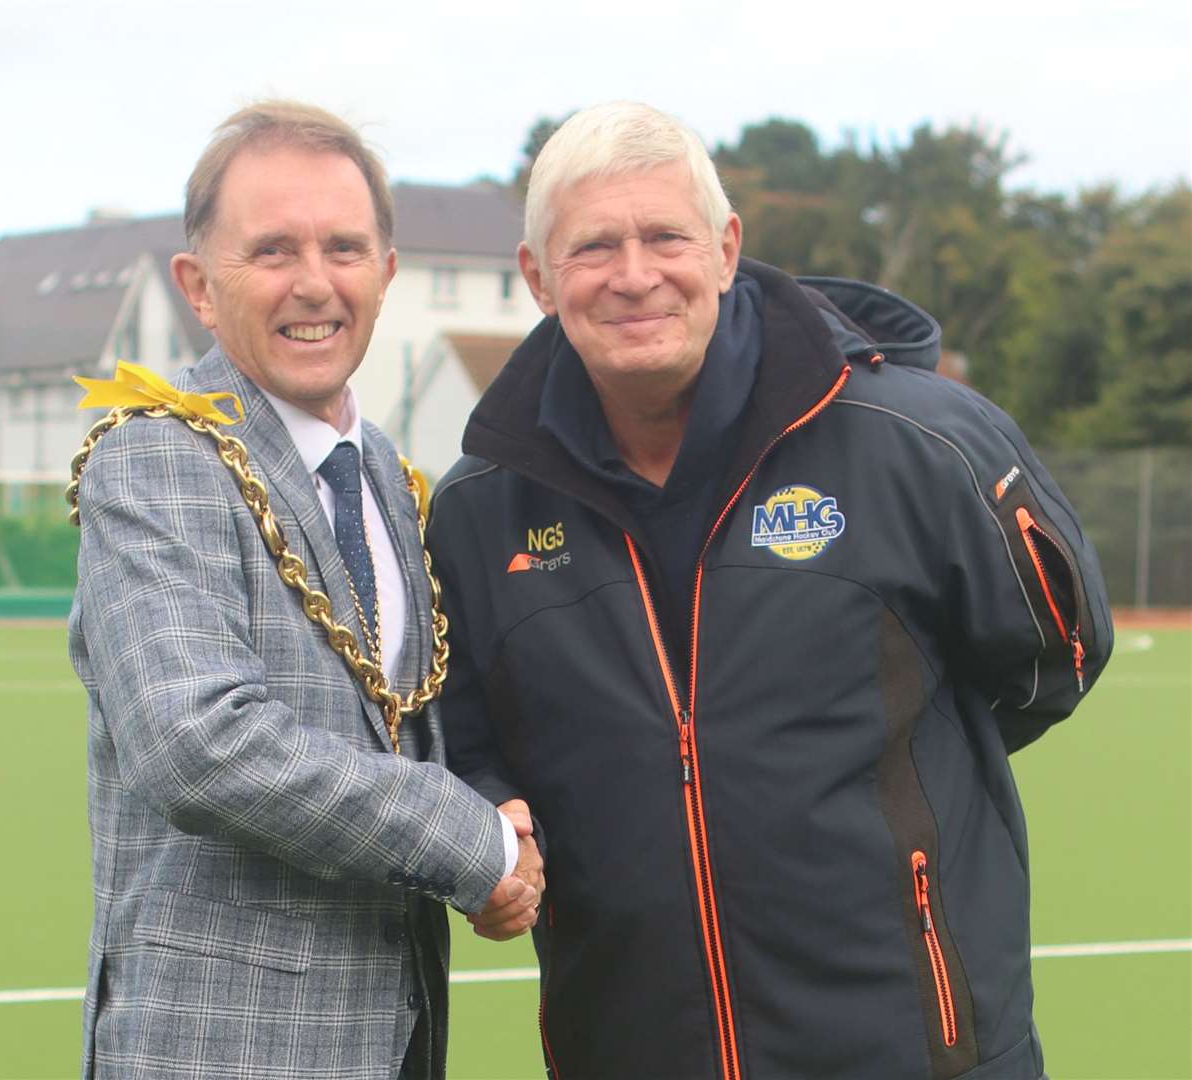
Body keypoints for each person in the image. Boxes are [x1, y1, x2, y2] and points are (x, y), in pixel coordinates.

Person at [428, 101, 1112, 1080]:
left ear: (723, 249)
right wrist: (491, 818)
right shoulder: (476, 512)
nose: (632, 275)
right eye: (592, 248)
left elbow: (1055, 661)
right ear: (537, 277)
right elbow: (462, 741)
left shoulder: (917, 445)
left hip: (918, 1050)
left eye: (663, 236)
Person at [67, 100, 540, 1080]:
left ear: (386, 272)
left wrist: (505, 822)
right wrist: (471, 843)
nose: (314, 284)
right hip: (218, 1050)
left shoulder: (388, 475)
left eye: (343, 247)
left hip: (394, 1041)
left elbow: (408, 730)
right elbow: (199, 743)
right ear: (198, 286)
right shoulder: (157, 456)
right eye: (273, 250)